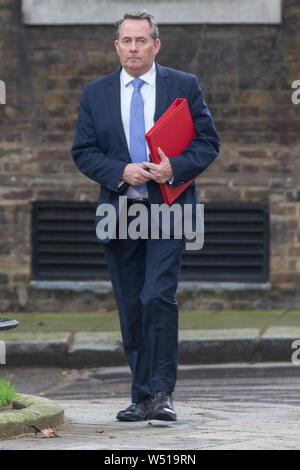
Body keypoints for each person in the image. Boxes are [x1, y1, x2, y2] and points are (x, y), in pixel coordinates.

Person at [71, 11, 220, 422]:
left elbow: (209, 142)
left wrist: (176, 168)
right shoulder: (95, 93)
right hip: (119, 212)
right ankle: (139, 396)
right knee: (131, 304)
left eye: (141, 41)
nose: (133, 48)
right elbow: (83, 152)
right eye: (126, 41)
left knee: (158, 296)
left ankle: (162, 392)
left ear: (156, 45)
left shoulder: (183, 86)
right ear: (117, 46)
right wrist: (121, 171)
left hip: (168, 209)